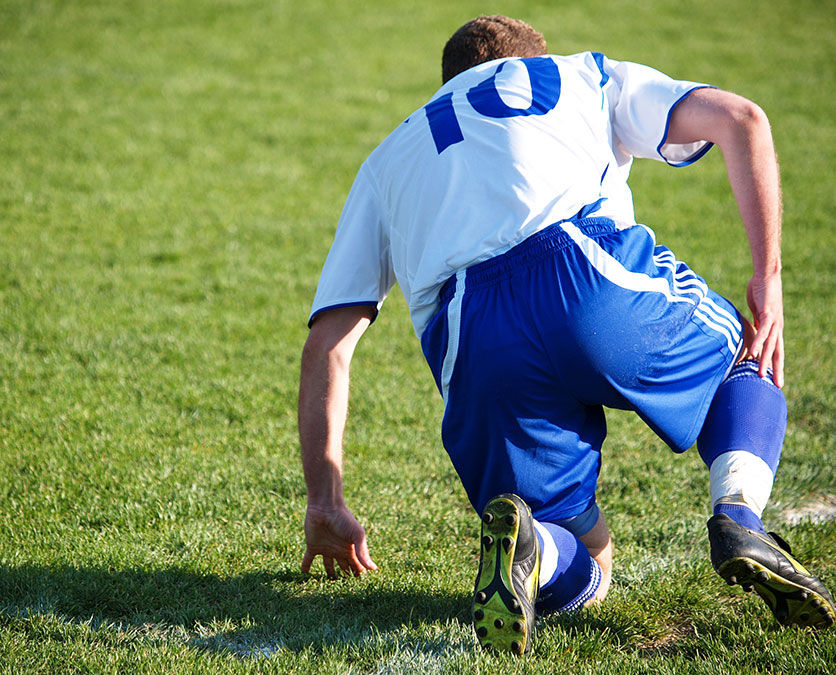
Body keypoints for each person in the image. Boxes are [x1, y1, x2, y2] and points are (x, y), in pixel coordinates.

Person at [298, 14, 835, 654]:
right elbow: (741, 118)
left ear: (447, 83)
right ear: (529, 62)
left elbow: (328, 342)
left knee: (586, 559)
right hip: (587, 276)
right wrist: (767, 277)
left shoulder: (385, 160)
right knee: (746, 361)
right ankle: (740, 515)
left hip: (473, 338)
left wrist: (324, 499)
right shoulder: (582, 74)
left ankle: (539, 549)